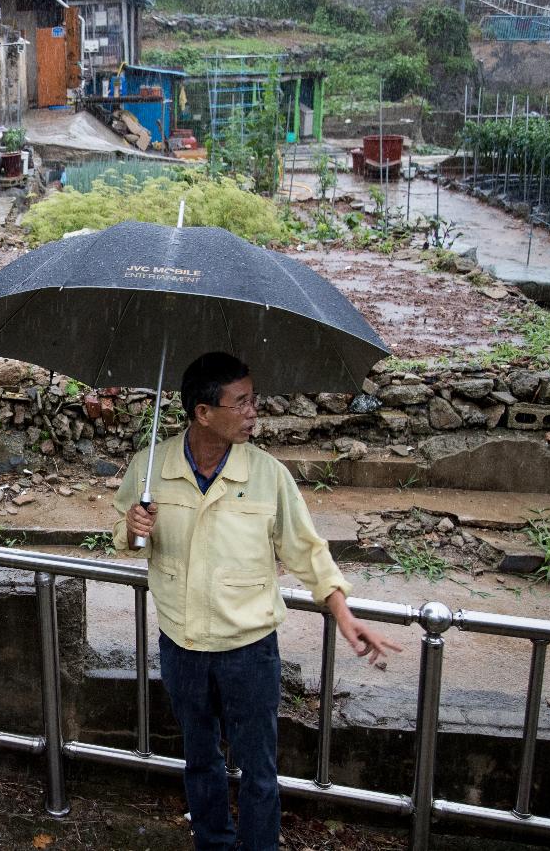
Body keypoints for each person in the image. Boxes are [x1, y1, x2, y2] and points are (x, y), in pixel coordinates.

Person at [113, 352, 400, 851]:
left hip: (249, 651)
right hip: (182, 646)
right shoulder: (150, 468)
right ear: (204, 412)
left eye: (254, 400)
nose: (253, 413)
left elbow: (307, 550)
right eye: (240, 403)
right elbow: (124, 531)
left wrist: (344, 613)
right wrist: (131, 528)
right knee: (201, 762)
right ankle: (213, 843)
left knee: (260, 771)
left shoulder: (268, 476)